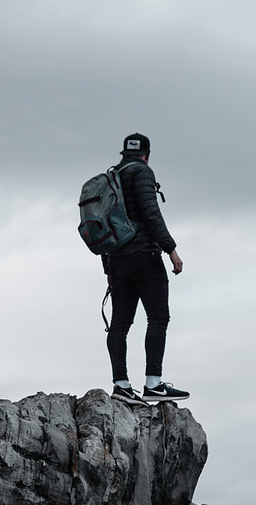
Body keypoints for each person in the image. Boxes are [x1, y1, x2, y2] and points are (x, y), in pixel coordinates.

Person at [103, 133, 190, 405]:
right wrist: (171, 249)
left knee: (119, 323)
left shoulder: (112, 178)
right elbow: (151, 213)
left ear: (124, 154)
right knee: (158, 317)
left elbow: (104, 223)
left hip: (117, 259)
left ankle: (121, 385)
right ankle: (153, 383)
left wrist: (108, 265)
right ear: (147, 154)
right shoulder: (142, 172)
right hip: (144, 255)